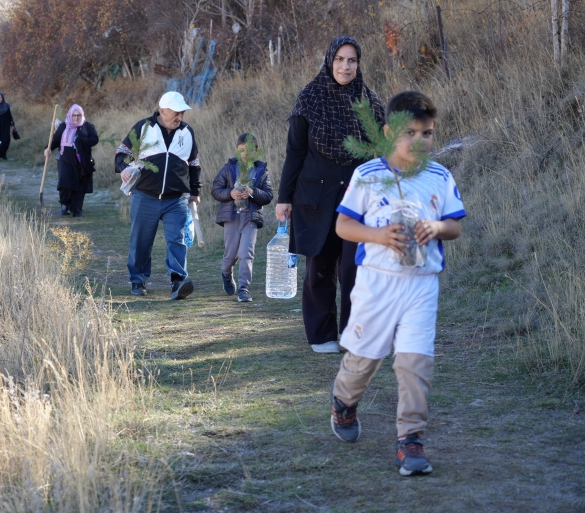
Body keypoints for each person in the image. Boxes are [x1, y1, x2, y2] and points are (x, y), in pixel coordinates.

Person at [328, 91, 466, 476]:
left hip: (422, 285)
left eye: (428, 133)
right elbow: (343, 226)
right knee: (364, 360)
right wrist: (379, 236)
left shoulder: (440, 176)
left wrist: (437, 227)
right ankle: (343, 401)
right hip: (377, 285)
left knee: (413, 363)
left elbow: (454, 225)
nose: (420, 141)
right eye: (411, 133)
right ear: (388, 132)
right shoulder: (368, 175)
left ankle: (411, 441)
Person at [276, 36, 385, 354]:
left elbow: (382, 153)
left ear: (358, 64)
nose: (345, 66)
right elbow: (294, 152)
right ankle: (321, 335)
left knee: (355, 267)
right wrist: (284, 198)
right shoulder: (310, 97)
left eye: (352, 60)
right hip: (315, 196)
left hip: (357, 198)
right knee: (319, 266)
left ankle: (355, 334)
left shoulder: (370, 102)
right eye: (339, 59)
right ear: (329, 60)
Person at [115, 91, 201, 300]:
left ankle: (178, 281)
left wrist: (195, 191)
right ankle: (138, 279)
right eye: (175, 112)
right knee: (141, 241)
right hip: (145, 196)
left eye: (182, 112)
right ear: (162, 111)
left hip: (177, 199)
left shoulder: (187, 132)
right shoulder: (143, 128)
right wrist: (124, 168)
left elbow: (194, 165)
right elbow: (122, 152)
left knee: (177, 240)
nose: (179, 116)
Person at [210, 133, 274, 303]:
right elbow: (216, 190)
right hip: (231, 217)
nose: (245, 154)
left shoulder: (262, 172)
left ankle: (243, 288)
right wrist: (230, 193)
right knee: (231, 255)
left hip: (250, 218)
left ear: (256, 151)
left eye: (249, 150)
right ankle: (226, 273)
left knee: (246, 253)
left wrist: (253, 192)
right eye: (241, 150)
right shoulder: (228, 169)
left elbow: (268, 195)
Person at [44, 104, 99, 218]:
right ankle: (64, 205)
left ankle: (76, 209)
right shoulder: (64, 126)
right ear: (70, 115)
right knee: (65, 182)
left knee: (80, 184)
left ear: (82, 115)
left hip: (81, 160)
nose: (76, 118)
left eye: (78, 115)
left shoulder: (88, 126)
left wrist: (81, 140)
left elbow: (95, 139)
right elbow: (54, 141)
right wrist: (48, 149)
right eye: (74, 115)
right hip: (65, 159)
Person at [0, 93, 18, 160]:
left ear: (3, 98)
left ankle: (3, 154)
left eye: (1, 97)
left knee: (6, 140)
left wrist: (12, 124)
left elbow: (9, 116)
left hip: (5, 125)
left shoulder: (6, 106)